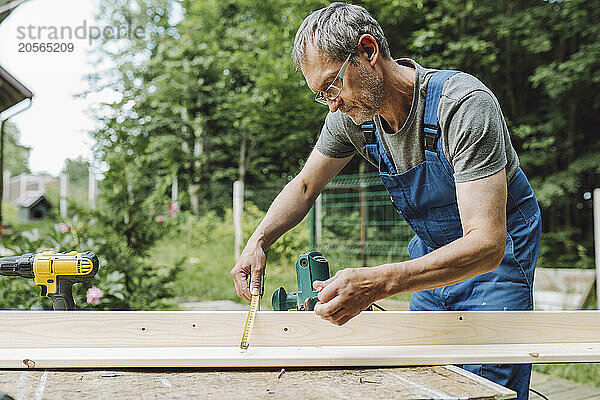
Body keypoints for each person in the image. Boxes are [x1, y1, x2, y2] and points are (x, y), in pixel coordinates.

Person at [230, 3, 541, 399]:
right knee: (430, 380)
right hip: (431, 257)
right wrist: (258, 241)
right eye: (320, 95)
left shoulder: (461, 105)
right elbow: (306, 186)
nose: (332, 103)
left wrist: (380, 282)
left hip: (496, 259)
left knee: (487, 387)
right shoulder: (353, 118)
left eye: (332, 85)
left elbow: (486, 244)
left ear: (368, 51)